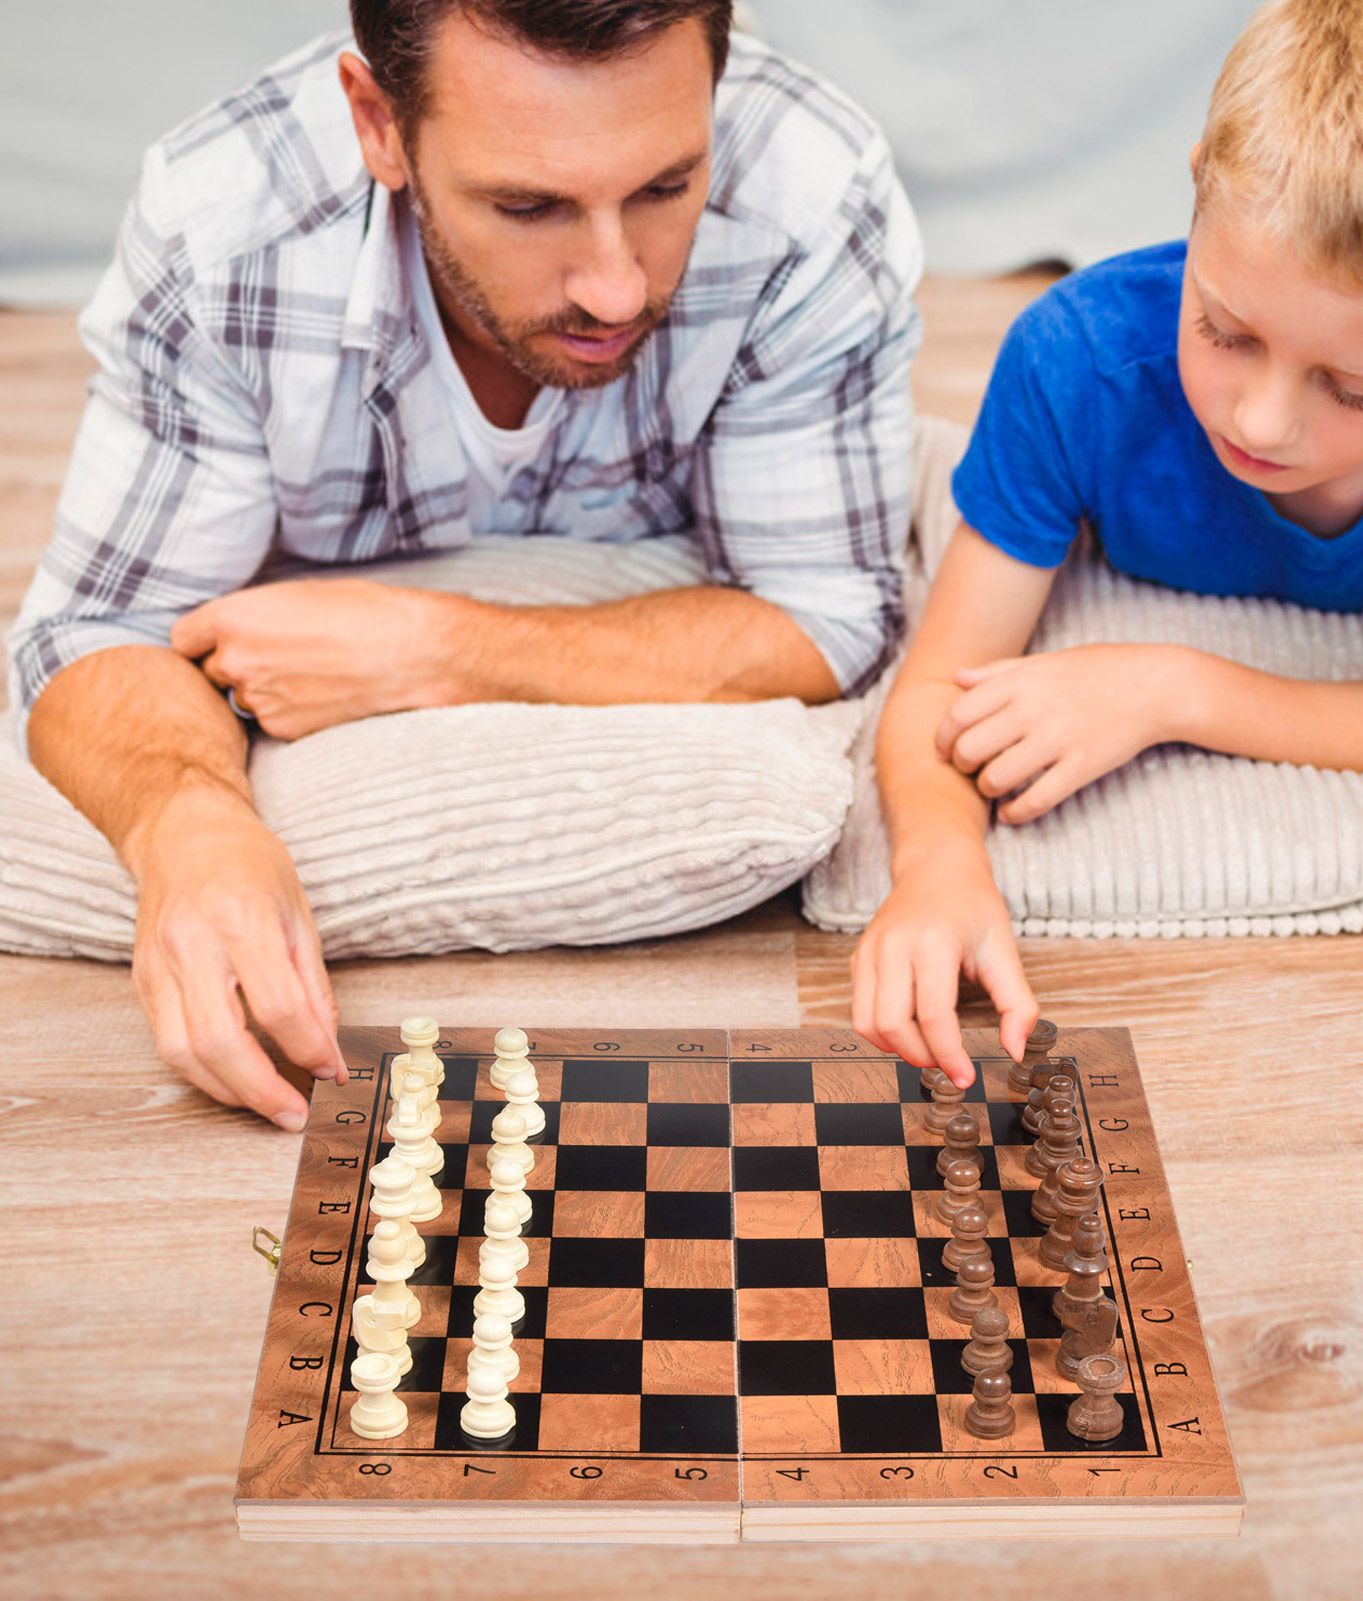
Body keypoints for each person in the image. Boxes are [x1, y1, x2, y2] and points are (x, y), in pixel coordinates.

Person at [6, 0, 921, 1128]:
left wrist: (438, 647)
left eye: (663, 188)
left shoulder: (810, 188)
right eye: (528, 205)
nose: (615, 287)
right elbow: (97, 631)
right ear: (378, 122)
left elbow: (828, 612)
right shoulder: (225, 223)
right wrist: (187, 828)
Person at [851, 0, 1363, 1085]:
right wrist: (933, 863)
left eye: (1352, 388)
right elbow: (932, 686)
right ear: (1198, 181)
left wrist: (1170, 689)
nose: (1258, 421)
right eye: (1223, 329)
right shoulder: (1073, 356)